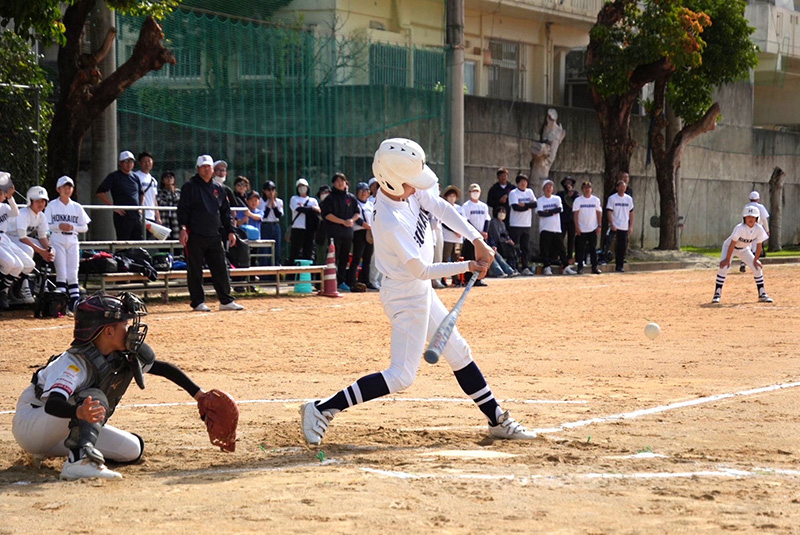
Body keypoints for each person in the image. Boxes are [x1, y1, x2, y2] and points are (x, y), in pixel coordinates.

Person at [300, 138, 536, 446]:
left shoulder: (408, 189)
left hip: (419, 290)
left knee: (458, 351)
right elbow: (421, 270)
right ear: (392, 182)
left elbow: (439, 206)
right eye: (412, 183)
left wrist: (476, 238)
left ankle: (496, 419)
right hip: (404, 296)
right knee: (401, 376)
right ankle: (321, 409)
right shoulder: (388, 219)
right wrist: (467, 264)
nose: (418, 187)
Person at [11, 292, 227, 480]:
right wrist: (78, 411)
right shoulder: (73, 362)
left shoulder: (118, 355)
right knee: (92, 396)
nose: (131, 328)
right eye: (125, 323)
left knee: (132, 449)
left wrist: (200, 396)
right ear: (108, 332)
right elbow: (53, 405)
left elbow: (162, 368)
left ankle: (73, 451)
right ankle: (77, 463)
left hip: (57, 433)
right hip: (33, 424)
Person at [177, 155, 244, 312]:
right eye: (204, 166)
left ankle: (226, 300)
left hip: (214, 234)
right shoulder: (190, 186)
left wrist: (230, 231)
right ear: (198, 168)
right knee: (195, 269)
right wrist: (182, 228)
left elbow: (225, 212)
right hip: (194, 234)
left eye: (209, 166)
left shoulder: (218, 188)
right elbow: (183, 209)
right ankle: (197, 301)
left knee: (221, 267)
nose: (207, 169)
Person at [45, 176, 92, 311]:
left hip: (72, 239)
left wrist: (73, 227)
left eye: (69, 187)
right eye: (64, 187)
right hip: (57, 238)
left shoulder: (76, 206)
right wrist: (59, 226)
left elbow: (84, 227)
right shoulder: (52, 205)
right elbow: (46, 225)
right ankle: (60, 304)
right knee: (61, 272)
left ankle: (74, 304)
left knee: (73, 272)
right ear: (58, 189)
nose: (67, 190)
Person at [712, 205, 772, 304]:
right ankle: (717, 294)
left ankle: (762, 294)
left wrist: (756, 259)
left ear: (757, 218)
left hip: (744, 249)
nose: (750, 219)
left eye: (753, 217)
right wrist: (727, 259)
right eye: (748, 217)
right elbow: (732, 244)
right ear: (744, 218)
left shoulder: (759, 228)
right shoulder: (740, 228)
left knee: (757, 267)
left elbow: (759, 246)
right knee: (724, 267)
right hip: (730, 247)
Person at [10, 186, 56, 303]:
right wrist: (41, 251)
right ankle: (24, 287)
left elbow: (42, 237)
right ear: (30, 201)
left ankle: (41, 284)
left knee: (51, 250)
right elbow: (22, 237)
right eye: (37, 201)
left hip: (21, 240)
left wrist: (48, 249)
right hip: (10, 237)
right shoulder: (24, 213)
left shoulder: (41, 216)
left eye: (43, 201)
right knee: (29, 250)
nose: (40, 204)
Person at [320, 172, 360, 291]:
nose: (340, 183)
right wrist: (342, 221)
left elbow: (357, 212)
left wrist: (351, 220)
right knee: (333, 258)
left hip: (348, 233)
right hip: (334, 232)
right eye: (337, 181)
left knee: (344, 259)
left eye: (342, 181)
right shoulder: (330, 198)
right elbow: (327, 215)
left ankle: (341, 281)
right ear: (333, 183)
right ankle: (330, 281)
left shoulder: (351, 198)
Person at [96, 151, 144, 240]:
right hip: (122, 216)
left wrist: (140, 207)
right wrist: (113, 207)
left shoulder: (135, 177)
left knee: (138, 242)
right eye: (126, 162)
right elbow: (100, 192)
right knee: (123, 242)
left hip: (135, 216)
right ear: (120, 163)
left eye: (131, 161)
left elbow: (142, 194)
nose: (129, 164)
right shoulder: (114, 176)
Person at [0, 173, 29, 309]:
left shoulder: (4, 207)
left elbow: (16, 213)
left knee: (18, 266)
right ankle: (2, 292)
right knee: (10, 262)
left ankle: (3, 291)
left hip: (3, 238)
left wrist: (10, 197)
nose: (2, 195)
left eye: (3, 193)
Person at [537, 180, 575, 276]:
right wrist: (551, 212)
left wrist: (548, 211)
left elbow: (559, 209)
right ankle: (546, 267)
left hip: (556, 228)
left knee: (561, 248)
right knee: (545, 249)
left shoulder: (557, 198)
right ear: (543, 189)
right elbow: (540, 213)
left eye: (550, 187)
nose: (548, 189)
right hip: (545, 228)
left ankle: (565, 266)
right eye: (547, 187)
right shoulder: (540, 200)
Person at [460, 183, 491, 286]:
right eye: (473, 191)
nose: (475, 193)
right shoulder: (466, 206)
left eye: (477, 191)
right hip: (470, 237)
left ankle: (479, 279)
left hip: (481, 236)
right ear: (469, 193)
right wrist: (477, 232)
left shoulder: (483, 206)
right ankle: (469, 279)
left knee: (480, 258)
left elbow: (487, 219)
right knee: (470, 257)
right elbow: (467, 221)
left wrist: (485, 232)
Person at [346, 182, 374, 290]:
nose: (363, 193)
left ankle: (365, 281)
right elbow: (356, 217)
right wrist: (366, 225)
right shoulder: (355, 203)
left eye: (366, 191)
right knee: (357, 258)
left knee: (367, 258)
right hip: (359, 232)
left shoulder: (370, 204)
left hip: (369, 232)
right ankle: (352, 281)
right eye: (361, 191)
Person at [507, 174, 536, 275]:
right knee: (514, 247)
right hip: (515, 224)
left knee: (525, 247)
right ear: (518, 183)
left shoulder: (529, 192)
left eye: (525, 181)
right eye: (521, 181)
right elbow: (516, 207)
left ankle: (525, 266)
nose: (523, 183)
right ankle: (513, 267)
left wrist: (525, 205)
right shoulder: (513, 193)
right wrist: (528, 206)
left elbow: (535, 204)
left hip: (526, 224)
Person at [573, 180, 602, 275]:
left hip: (592, 228)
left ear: (591, 189)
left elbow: (599, 213)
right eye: (585, 188)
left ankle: (594, 267)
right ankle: (580, 267)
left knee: (593, 249)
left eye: (588, 188)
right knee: (580, 249)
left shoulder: (595, 200)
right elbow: (576, 214)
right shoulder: (578, 200)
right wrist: (577, 227)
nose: (587, 190)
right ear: (582, 190)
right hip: (582, 228)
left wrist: (599, 225)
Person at [289, 178, 321, 263]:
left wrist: (306, 207)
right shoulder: (294, 198)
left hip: (310, 229)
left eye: (304, 186)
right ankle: (292, 274)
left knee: (308, 253)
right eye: (299, 186)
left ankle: (308, 274)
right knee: (294, 252)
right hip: (297, 229)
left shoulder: (313, 200)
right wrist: (311, 208)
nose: (302, 188)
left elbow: (318, 211)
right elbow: (299, 209)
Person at [606, 179, 634, 273]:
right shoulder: (612, 198)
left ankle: (620, 265)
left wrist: (630, 226)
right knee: (608, 243)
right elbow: (609, 212)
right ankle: (604, 259)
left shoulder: (628, 199)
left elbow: (631, 213)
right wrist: (612, 224)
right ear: (617, 188)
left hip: (624, 226)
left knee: (622, 247)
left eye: (624, 187)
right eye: (620, 187)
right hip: (614, 225)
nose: (622, 189)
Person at [741, 191, 770, 272]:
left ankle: (743, 263)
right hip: (756, 229)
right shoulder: (761, 207)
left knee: (746, 247)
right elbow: (764, 220)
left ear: (750, 198)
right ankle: (754, 263)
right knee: (755, 248)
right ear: (758, 199)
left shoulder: (746, 207)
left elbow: (743, 218)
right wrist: (767, 230)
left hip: (745, 228)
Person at [440, 185, 463, 287]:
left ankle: (456, 279)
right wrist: (455, 230)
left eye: (454, 196)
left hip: (458, 238)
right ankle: (443, 279)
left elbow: (463, 221)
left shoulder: (460, 209)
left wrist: (460, 231)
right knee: (445, 258)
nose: (452, 198)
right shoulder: (444, 207)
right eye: (450, 196)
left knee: (456, 258)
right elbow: (444, 222)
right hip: (447, 237)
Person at [487, 206, 519, 278]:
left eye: (504, 212)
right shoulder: (494, 222)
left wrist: (509, 240)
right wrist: (505, 241)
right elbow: (496, 236)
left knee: (513, 248)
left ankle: (510, 270)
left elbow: (505, 234)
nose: (502, 214)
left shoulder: (502, 223)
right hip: (496, 243)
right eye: (500, 212)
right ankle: (499, 272)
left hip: (498, 243)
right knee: (493, 254)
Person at [258, 180, 284, 266]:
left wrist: (274, 203)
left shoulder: (279, 201)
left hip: (275, 225)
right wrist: (269, 202)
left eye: (273, 190)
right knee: (265, 250)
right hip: (265, 225)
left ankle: (275, 271)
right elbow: (264, 215)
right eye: (269, 190)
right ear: (264, 191)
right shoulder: (261, 201)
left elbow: (278, 214)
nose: (271, 192)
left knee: (276, 250)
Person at [133, 151, 161, 231]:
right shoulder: (135, 176)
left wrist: (158, 217)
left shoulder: (153, 180)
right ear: (140, 163)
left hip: (151, 216)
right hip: (140, 216)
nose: (147, 163)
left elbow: (154, 199)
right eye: (144, 161)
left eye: (149, 161)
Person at [557, 176, 579, 263]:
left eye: (570, 183)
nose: (568, 185)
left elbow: (577, 203)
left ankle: (570, 257)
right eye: (566, 183)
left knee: (571, 239)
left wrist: (572, 195)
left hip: (571, 220)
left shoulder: (576, 194)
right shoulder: (560, 194)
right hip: (562, 220)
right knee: (560, 239)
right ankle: (560, 256)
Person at [156, 171, 181, 240]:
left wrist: (173, 192)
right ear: (163, 180)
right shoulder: (159, 192)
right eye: (166, 177)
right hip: (164, 220)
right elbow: (161, 203)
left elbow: (179, 203)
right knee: (164, 244)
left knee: (177, 245)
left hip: (176, 221)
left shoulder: (179, 192)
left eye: (171, 177)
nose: (169, 179)